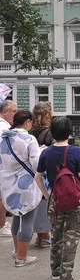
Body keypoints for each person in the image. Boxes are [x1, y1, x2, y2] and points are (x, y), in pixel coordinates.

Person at [34, 117, 80, 280]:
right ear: (70, 132)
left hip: (55, 200)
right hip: (75, 201)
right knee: (71, 237)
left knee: (56, 234)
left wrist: (46, 194)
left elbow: (38, 177)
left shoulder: (46, 153)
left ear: (52, 132)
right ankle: (66, 278)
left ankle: (55, 271)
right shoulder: (76, 152)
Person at [0, 109, 42, 266]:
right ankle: (22, 257)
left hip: (8, 185)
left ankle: (17, 250)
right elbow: (36, 163)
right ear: (28, 122)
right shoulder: (29, 138)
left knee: (16, 216)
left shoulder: (4, 138)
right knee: (27, 220)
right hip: (26, 186)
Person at [30, 101, 53, 247]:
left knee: (37, 204)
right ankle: (45, 236)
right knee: (46, 203)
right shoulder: (49, 132)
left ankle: (39, 235)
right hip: (45, 174)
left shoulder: (31, 131)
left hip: (33, 173)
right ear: (48, 114)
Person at [0, 100, 18, 237]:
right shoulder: (4, 128)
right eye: (14, 111)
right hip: (3, 167)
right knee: (1, 196)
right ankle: (1, 226)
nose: (16, 114)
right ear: (4, 112)